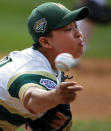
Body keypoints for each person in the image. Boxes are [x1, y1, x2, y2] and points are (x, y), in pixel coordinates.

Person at [0, 2, 89, 131]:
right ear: (45, 42)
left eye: (76, 26)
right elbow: (32, 100)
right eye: (68, 29)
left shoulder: (51, 65)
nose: (78, 33)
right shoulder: (31, 69)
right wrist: (54, 97)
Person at [72, 0, 111, 66]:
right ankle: (68, 58)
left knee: (84, 36)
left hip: (96, 7)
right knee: (76, 33)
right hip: (87, 6)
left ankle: (73, 59)